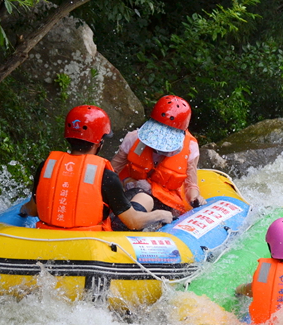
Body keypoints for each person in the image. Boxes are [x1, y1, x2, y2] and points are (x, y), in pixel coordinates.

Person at [20, 105, 173, 231]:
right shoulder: (106, 176)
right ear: (98, 142)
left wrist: (21, 211)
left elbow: (32, 210)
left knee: (133, 194)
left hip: (46, 238)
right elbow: (133, 222)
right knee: (142, 196)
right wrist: (159, 215)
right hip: (90, 245)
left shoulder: (46, 166)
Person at [111, 95, 206, 218]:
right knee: (140, 199)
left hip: (166, 201)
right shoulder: (134, 138)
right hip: (134, 193)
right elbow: (111, 171)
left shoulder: (190, 147)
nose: (160, 149)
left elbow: (191, 184)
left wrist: (195, 197)